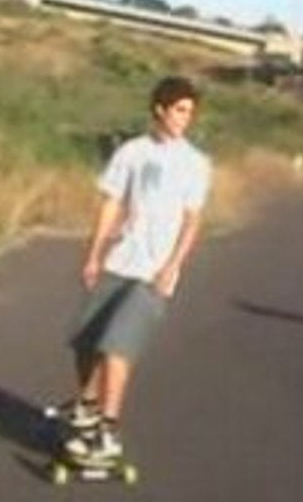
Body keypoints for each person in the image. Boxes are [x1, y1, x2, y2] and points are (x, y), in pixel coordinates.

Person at [61, 75, 211, 461]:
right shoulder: (131, 152)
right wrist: (94, 254)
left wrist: (172, 266)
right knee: (85, 341)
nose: (185, 119)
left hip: (155, 272)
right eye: (179, 110)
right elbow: (111, 203)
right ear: (160, 110)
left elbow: (192, 220)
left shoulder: (195, 163)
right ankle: (88, 409)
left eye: (189, 112)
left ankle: (107, 433)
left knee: (117, 347)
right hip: (120, 261)